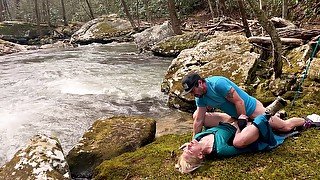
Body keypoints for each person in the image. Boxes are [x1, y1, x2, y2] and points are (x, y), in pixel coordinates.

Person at [176, 112, 320, 174]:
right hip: (245, 128)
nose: (188, 145)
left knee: (198, 115)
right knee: (285, 126)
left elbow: (193, 142)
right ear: (201, 155)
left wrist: (187, 149)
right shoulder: (221, 149)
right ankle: (307, 120)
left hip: (229, 121)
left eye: (185, 148)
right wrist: (240, 125)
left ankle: (274, 117)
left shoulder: (199, 139)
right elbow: (243, 145)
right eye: (189, 149)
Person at [181, 73, 309, 138]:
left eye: (193, 90)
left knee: (284, 127)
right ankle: (277, 114)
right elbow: (199, 120)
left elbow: (239, 101)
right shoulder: (200, 97)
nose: (193, 94)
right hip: (234, 115)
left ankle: (307, 120)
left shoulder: (218, 84)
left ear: (200, 83)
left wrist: (243, 118)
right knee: (196, 114)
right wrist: (194, 140)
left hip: (251, 109)